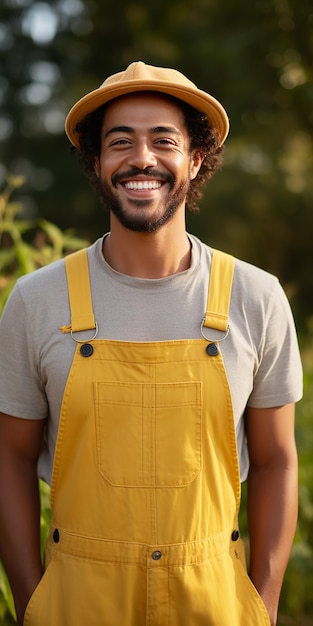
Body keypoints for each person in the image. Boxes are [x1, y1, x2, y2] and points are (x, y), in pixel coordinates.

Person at [0, 61, 302, 626]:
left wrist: (262, 605)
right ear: (97, 162)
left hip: (215, 604)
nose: (142, 158)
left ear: (195, 158)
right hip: (74, 607)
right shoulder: (36, 300)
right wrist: (31, 603)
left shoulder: (255, 297)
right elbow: (9, 458)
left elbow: (277, 461)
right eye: (120, 142)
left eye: (164, 140)